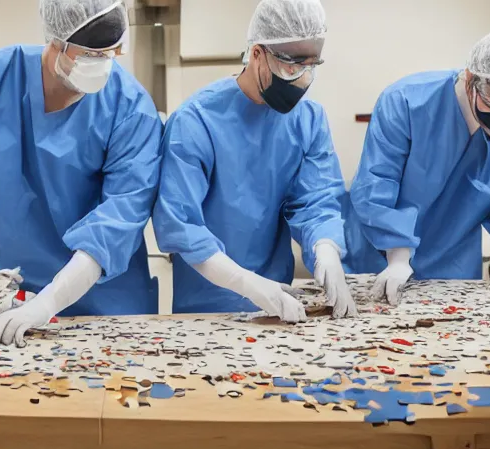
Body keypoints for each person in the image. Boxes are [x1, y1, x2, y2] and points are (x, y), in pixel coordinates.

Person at [0, 0, 161, 347]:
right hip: (6, 290)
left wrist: (47, 303)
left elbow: (118, 221)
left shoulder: (130, 107)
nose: (102, 65)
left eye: (110, 53)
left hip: (103, 297)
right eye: (90, 54)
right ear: (56, 41)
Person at [152, 0, 355, 322]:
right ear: (257, 54)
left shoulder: (308, 119)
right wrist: (244, 283)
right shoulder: (196, 121)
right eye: (292, 65)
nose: (301, 78)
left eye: (311, 66)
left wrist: (326, 250)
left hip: (280, 296)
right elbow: (181, 225)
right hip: (208, 302)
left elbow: (316, 201)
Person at [340, 28, 490, 307]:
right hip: (378, 261)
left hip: (452, 271)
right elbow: (377, 183)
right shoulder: (405, 103)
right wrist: (398, 255)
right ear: (472, 79)